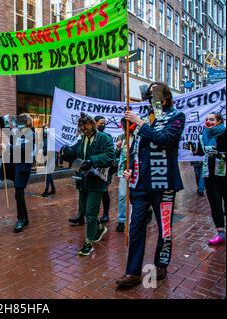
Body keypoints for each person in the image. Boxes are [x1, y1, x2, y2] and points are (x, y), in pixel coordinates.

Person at [116, 82, 185, 288]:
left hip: (163, 183)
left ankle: (161, 264)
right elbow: (136, 148)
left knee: (165, 227)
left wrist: (140, 124)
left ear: (164, 99)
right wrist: (130, 169)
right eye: (149, 97)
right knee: (136, 226)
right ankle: (133, 272)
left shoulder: (176, 117)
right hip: (140, 184)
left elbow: (164, 139)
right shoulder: (145, 118)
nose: (150, 100)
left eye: (154, 97)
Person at [60, 113, 115, 256]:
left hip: (97, 181)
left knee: (91, 213)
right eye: (82, 129)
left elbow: (110, 156)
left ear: (93, 125)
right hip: (83, 180)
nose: (84, 131)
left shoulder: (104, 138)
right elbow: (77, 153)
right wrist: (68, 152)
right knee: (84, 211)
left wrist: (93, 160)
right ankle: (99, 229)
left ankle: (88, 243)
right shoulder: (82, 138)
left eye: (86, 129)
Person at [191, 113, 226, 245]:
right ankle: (220, 233)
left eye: (211, 119)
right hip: (209, 176)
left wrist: (219, 155)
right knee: (215, 204)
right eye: (206, 119)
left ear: (218, 121)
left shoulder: (224, 133)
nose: (208, 121)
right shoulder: (203, 134)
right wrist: (193, 149)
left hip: (224, 174)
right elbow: (200, 152)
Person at [0, 113, 36, 233]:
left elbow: (24, 149)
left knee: (18, 192)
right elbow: (6, 131)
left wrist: (7, 148)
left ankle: (21, 219)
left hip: (23, 166)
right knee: (18, 193)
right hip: (15, 165)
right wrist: (0, 116)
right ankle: (24, 218)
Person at [94, 115, 114, 223]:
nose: (103, 125)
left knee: (104, 191)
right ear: (95, 123)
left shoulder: (107, 136)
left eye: (104, 124)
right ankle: (81, 213)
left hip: (103, 168)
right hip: (91, 167)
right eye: (100, 123)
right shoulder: (90, 135)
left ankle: (106, 213)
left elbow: (110, 153)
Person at [41, 125, 56, 197]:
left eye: (47, 128)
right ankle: (53, 189)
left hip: (51, 156)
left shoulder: (51, 137)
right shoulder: (43, 137)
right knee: (48, 174)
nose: (45, 130)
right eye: (44, 129)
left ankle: (46, 190)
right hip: (46, 156)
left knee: (48, 173)